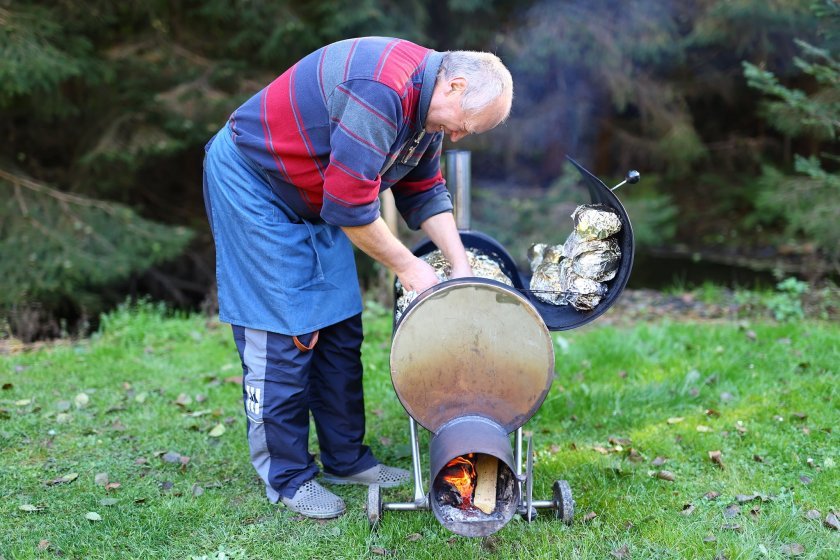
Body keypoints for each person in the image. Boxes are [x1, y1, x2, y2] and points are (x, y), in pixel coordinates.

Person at [202, 36, 513, 519]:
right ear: (454, 86)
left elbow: (424, 189)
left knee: (341, 327)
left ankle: (345, 460)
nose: (457, 137)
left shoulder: (426, 107)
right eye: (464, 127)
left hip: (318, 194)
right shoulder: (379, 91)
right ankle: (287, 477)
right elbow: (349, 208)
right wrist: (411, 269)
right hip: (257, 184)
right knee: (285, 334)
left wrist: (461, 263)